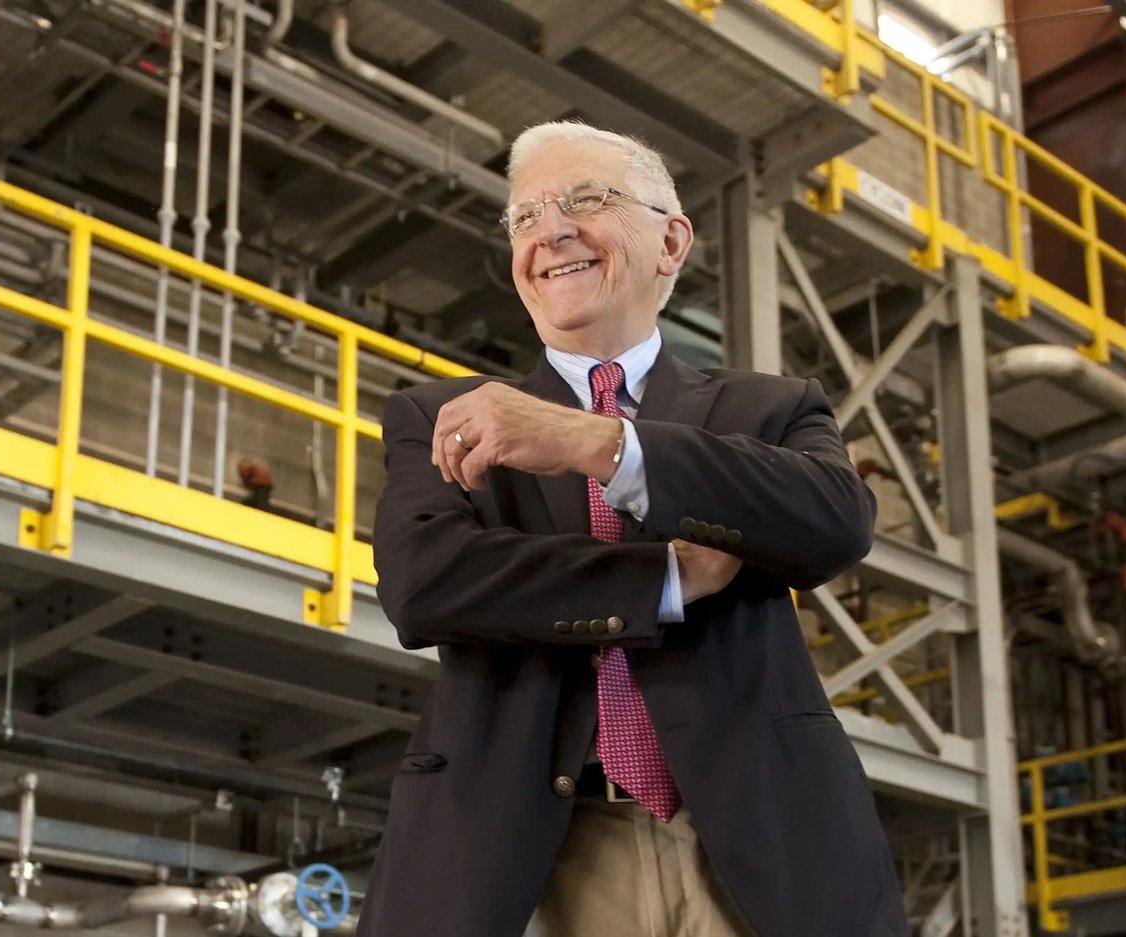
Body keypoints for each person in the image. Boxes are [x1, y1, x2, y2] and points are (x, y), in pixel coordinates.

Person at [359, 121, 904, 937]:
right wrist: (663, 581)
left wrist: (598, 444)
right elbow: (424, 580)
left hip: (752, 846)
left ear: (671, 241)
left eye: (586, 199)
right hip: (524, 857)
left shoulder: (770, 409)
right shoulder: (442, 418)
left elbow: (833, 521)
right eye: (526, 215)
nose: (552, 230)